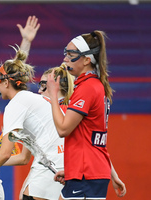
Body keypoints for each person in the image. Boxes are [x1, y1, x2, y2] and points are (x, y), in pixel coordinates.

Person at [0, 47, 66, 200]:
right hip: (62, 165)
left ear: (7, 82)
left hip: (53, 166)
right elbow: (23, 158)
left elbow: (5, 153)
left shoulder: (16, 104)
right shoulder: (30, 100)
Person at [45, 30, 126, 199]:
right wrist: (113, 175)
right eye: (65, 53)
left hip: (87, 174)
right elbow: (95, 139)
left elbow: (63, 129)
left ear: (87, 60)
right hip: (88, 172)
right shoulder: (93, 85)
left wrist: (52, 94)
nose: (65, 58)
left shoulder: (87, 88)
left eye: (71, 54)